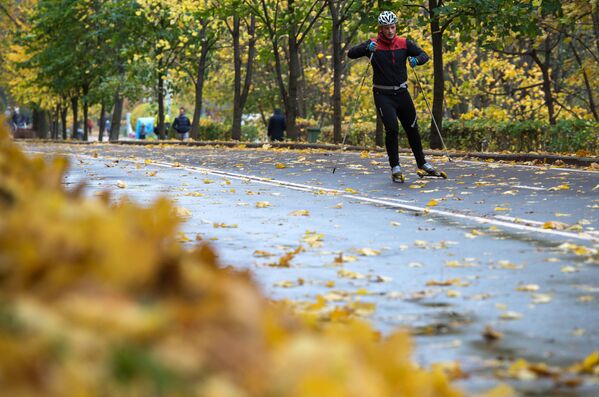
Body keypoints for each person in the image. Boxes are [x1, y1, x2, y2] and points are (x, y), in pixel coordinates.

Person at [348, 11, 442, 183]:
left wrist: (416, 61)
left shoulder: (404, 43)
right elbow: (351, 53)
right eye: (386, 28)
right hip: (382, 94)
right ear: (381, 29)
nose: (390, 31)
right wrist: (365, 49)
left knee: (412, 127)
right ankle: (395, 167)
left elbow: (424, 55)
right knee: (392, 129)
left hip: (402, 92)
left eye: (392, 27)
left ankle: (422, 163)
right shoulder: (373, 44)